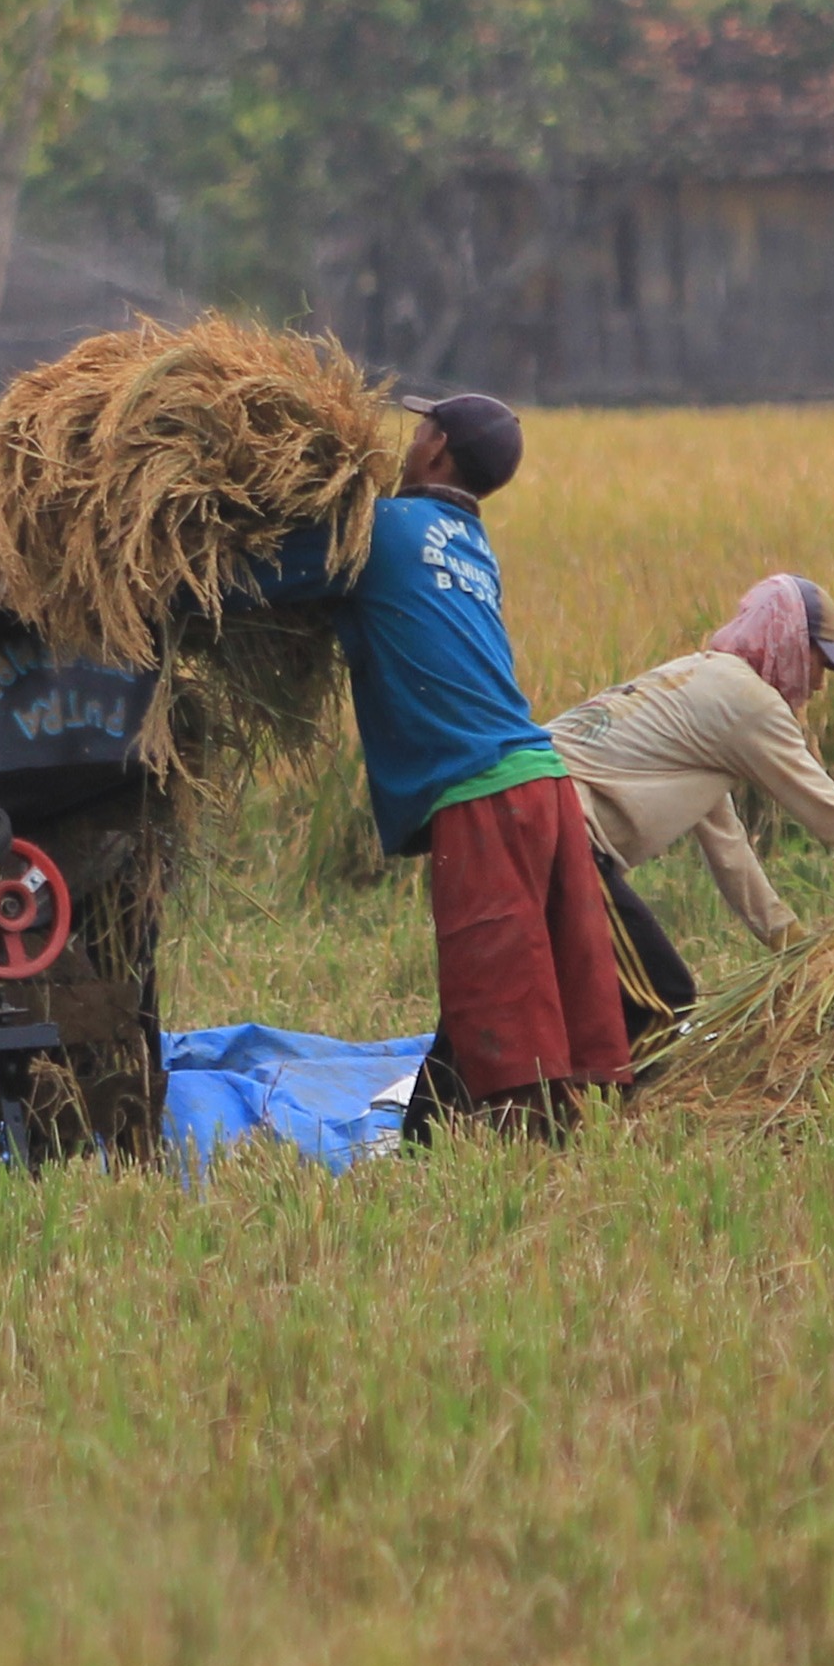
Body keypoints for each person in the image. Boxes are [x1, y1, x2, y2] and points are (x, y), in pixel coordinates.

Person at [247, 391, 628, 1136]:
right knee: (548, 973)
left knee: (497, 985)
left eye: (419, 428)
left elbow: (252, 580)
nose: (408, 438)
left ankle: (522, 1151)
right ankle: (496, 1132)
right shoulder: (469, 541)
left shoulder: (381, 531)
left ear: (438, 447)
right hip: (542, 783)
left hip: (485, 794)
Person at [546, 573, 834, 968]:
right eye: (821, 663)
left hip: (520, 811)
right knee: (662, 998)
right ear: (789, 643)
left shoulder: (703, 681)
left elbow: (727, 844)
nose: (820, 683)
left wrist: (794, 949)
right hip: (559, 833)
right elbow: (833, 818)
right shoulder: (749, 703)